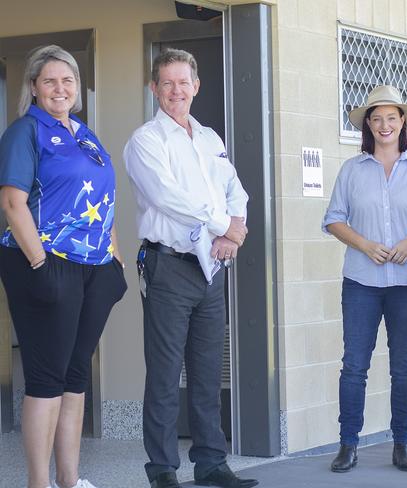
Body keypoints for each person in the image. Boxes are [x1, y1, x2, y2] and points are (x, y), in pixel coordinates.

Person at [123, 49, 256, 488]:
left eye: (184, 82)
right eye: (167, 84)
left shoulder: (210, 138)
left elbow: (235, 192)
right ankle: (162, 470)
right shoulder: (146, 140)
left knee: (204, 371)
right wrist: (224, 227)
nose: (176, 91)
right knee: (164, 373)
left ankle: (211, 463)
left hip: (210, 270)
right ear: (154, 89)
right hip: (168, 267)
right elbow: (167, 197)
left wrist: (232, 231)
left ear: (196, 86)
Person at [0, 45, 127, 488]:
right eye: (50, 80)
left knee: (75, 377)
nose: (60, 88)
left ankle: (69, 482)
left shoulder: (85, 134)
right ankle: (39, 483)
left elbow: (103, 198)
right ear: (33, 87)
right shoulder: (24, 132)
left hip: (94, 269)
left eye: (68, 80)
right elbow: (13, 202)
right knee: (47, 379)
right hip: (44, 264)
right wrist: (39, 261)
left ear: (77, 87)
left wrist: (113, 255)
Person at [322, 85, 407, 473]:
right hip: (361, 282)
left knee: (403, 366)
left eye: (392, 117)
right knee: (354, 365)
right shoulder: (352, 169)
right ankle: (348, 444)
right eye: (377, 118)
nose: (384, 125)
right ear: (368, 125)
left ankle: (402, 443)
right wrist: (364, 244)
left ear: (402, 121)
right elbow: (333, 218)